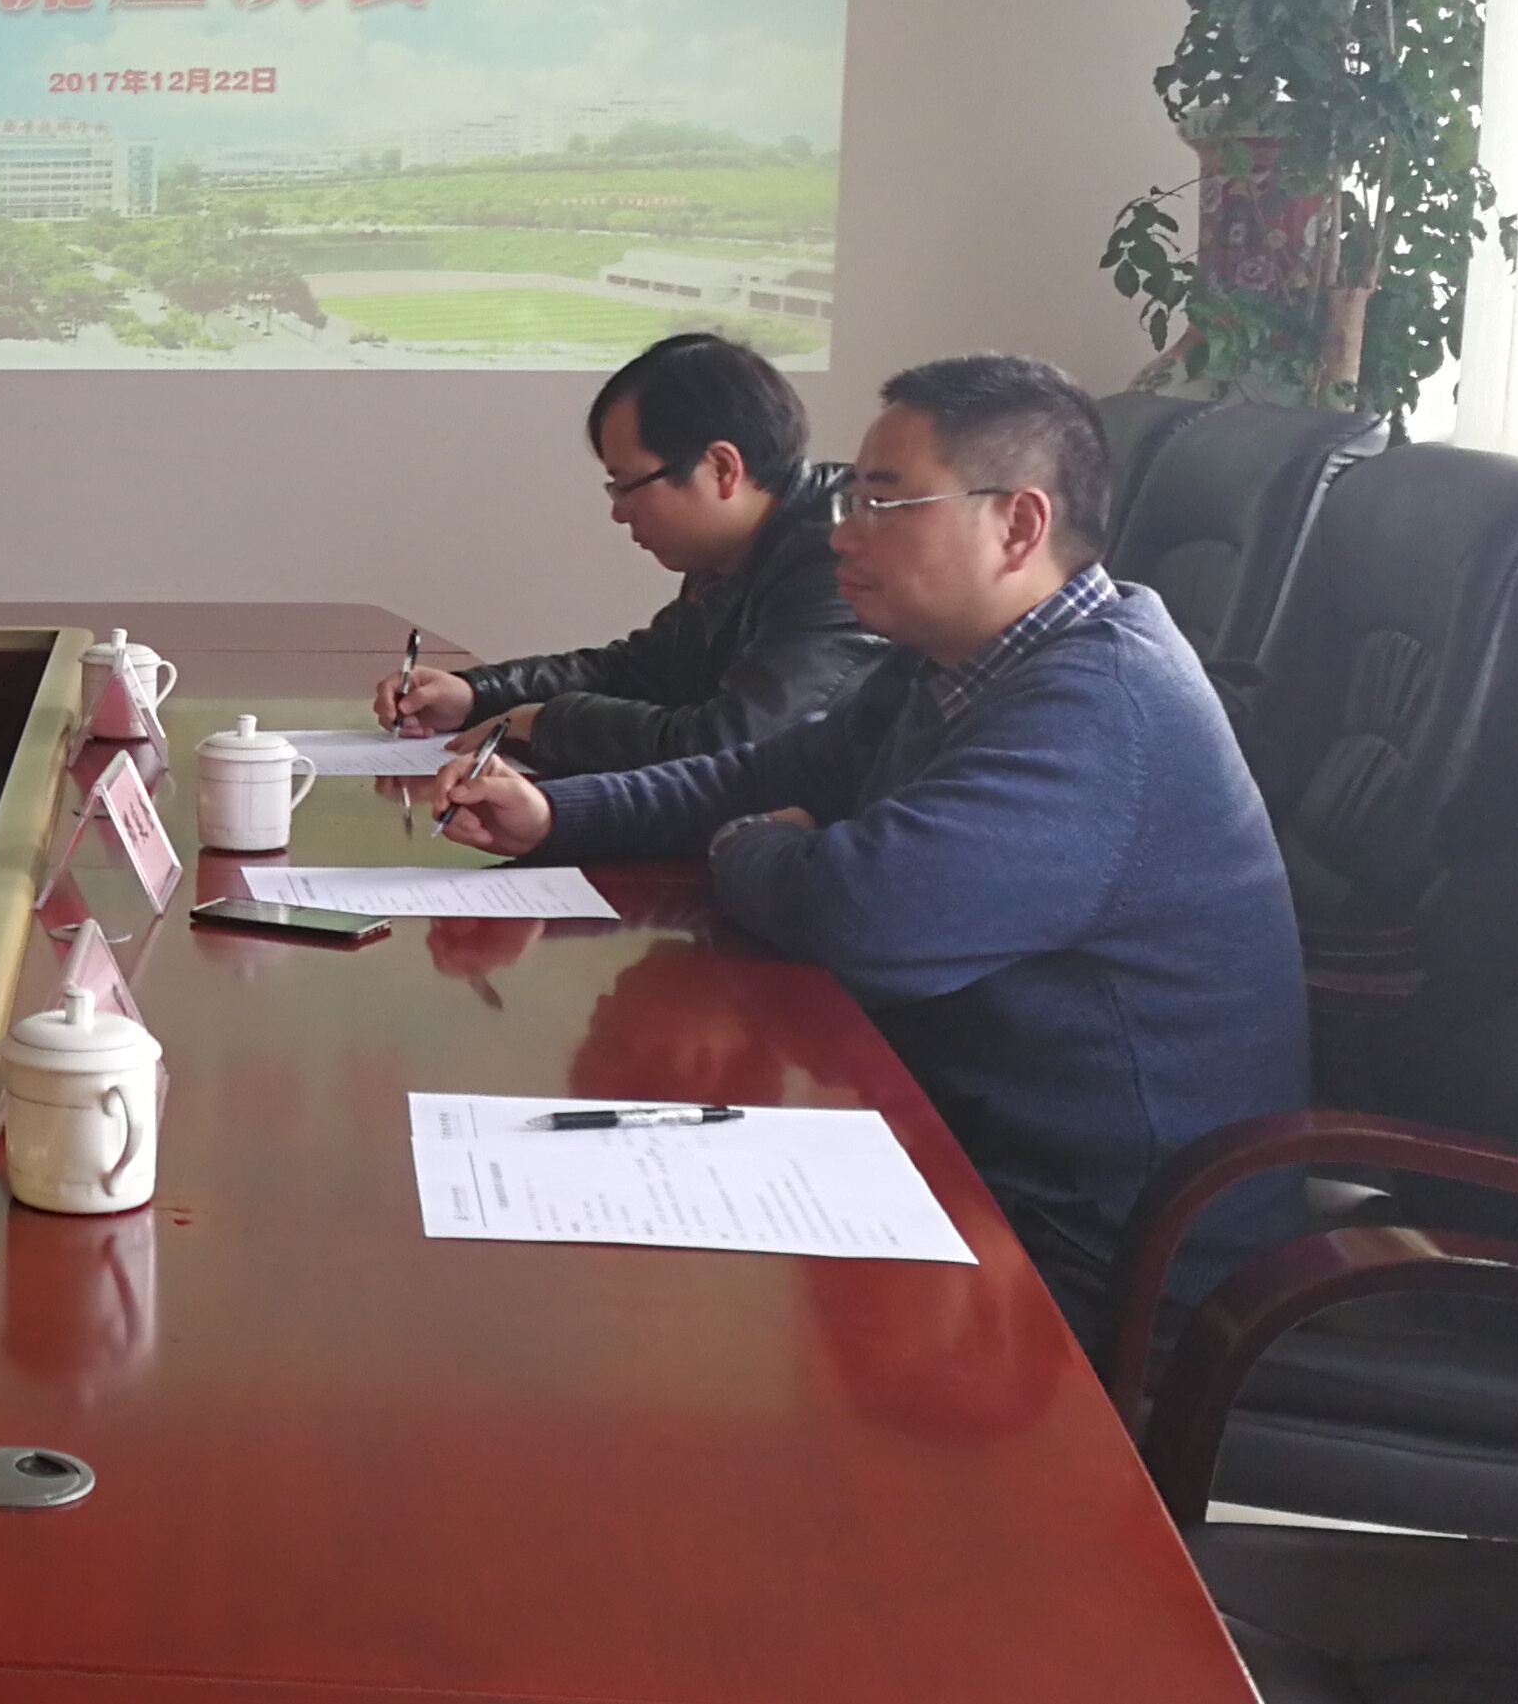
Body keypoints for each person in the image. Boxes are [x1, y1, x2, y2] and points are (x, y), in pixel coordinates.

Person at [430, 354, 1306, 1349]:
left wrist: (752, 844)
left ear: (1017, 525)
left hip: (1100, 1251)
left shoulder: (1098, 706)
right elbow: (759, 772)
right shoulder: (962, 662)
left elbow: (858, 910)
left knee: (636, 1321)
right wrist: (557, 815)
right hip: (964, 1148)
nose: (842, 532)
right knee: (556, 1223)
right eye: (851, 499)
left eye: (885, 503)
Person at [375, 333, 881, 773]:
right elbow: (643, 671)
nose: (619, 512)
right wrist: (477, 694)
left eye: (628, 485)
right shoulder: (734, 552)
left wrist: (549, 722)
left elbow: (731, 743)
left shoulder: (841, 556)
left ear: (722, 469)